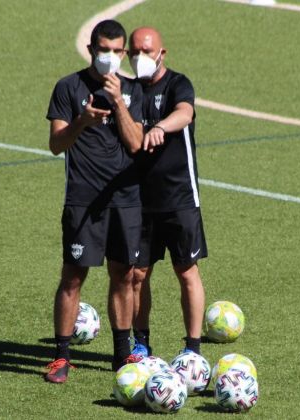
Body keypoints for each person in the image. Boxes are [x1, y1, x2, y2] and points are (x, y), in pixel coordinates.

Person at [45, 19, 144, 383]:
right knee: (72, 277)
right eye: (105, 50)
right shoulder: (68, 88)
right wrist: (82, 122)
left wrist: (118, 101)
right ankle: (61, 357)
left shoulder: (135, 90)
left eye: (118, 51)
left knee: (124, 274)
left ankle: (121, 355)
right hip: (83, 199)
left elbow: (136, 144)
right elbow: (56, 145)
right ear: (91, 50)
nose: (111, 57)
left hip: (126, 199)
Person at [128, 27, 207, 358]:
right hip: (138, 200)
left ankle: (193, 349)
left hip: (179, 198)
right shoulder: (127, 91)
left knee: (185, 270)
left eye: (147, 51)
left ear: (162, 53)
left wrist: (160, 126)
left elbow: (184, 113)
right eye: (134, 52)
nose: (140, 58)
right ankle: (141, 344)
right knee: (136, 275)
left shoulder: (178, 84)